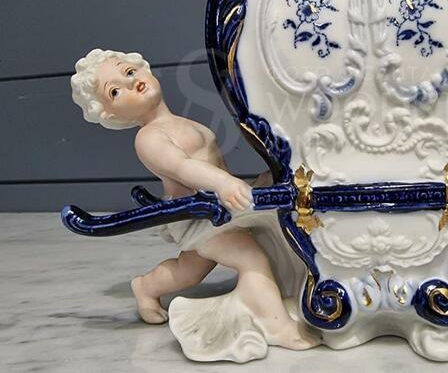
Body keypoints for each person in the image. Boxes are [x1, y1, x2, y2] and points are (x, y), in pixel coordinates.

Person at [70, 48, 318, 349]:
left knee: (189, 270)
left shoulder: (181, 122)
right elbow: (182, 167)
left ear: (145, 69)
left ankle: (145, 286)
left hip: (226, 209)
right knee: (250, 257)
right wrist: (224, 183)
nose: (130, 82)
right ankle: (275, 325)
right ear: (110, 114)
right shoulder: (148, 138)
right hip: (200, 216)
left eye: (129, 72)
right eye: (115, 91)